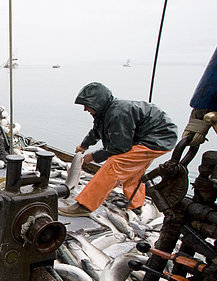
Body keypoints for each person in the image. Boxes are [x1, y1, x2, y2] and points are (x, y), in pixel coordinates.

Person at [59, 82, 178, 217]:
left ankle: (85, 205)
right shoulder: (105, 112)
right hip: (154, 137)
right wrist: (83, 146)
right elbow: (96, 131)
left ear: (97, 103)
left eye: (87, 105)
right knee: (133, 169)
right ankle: (136, 204)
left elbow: (119, 147)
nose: (85, 109)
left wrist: (92, 156)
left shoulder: (118, 113)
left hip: (158, 138)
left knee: (115, 164)